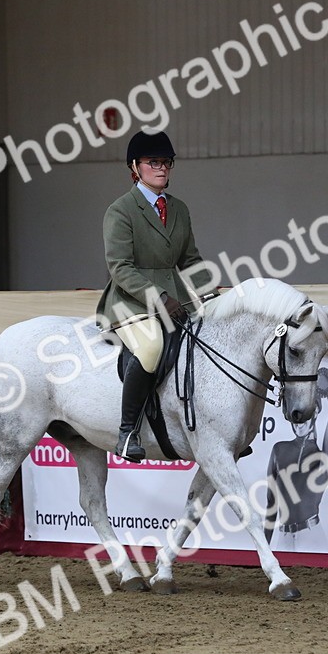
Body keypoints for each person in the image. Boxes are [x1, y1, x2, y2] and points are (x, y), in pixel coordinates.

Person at [96, 130, 212, 462]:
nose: (162, 168)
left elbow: (190, 259)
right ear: (135, 167)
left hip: (175, 299)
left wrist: (211, 295)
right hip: (130, 301)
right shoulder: (120, 211)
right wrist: (159, 297)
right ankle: (127, 431)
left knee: (203, 342)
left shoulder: (179, 209)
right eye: (153, 162)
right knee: (150, 347)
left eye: (166, 162)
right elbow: (120, 267)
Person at [264, 367, 328, 547]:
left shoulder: (324, 460)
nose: (299, 423)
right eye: (295, 416)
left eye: (305, 415)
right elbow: (271, 502)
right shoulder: (279, 450)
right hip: (283, 538)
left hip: (312, 536)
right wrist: (264, 548)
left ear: (316, 412)